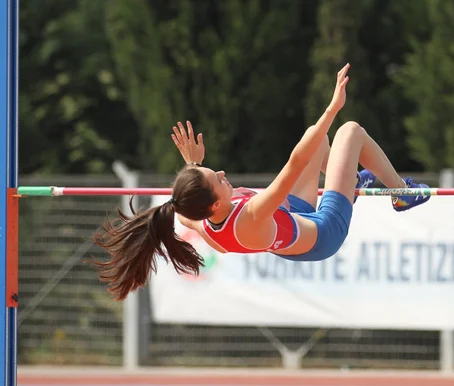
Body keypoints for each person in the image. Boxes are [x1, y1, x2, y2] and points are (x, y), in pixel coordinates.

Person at [92, 63, 430, 300]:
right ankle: (401, 195)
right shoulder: (251, 213)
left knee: (319, 142)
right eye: (217, 179)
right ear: (215, 204)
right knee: (348, 130)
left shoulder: (195, 216)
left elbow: (189, 201)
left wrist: (194, 166)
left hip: (293, 217)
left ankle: (353, 181)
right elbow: (295, 164)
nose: (222, 174)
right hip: (323, 233)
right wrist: (332, 108)